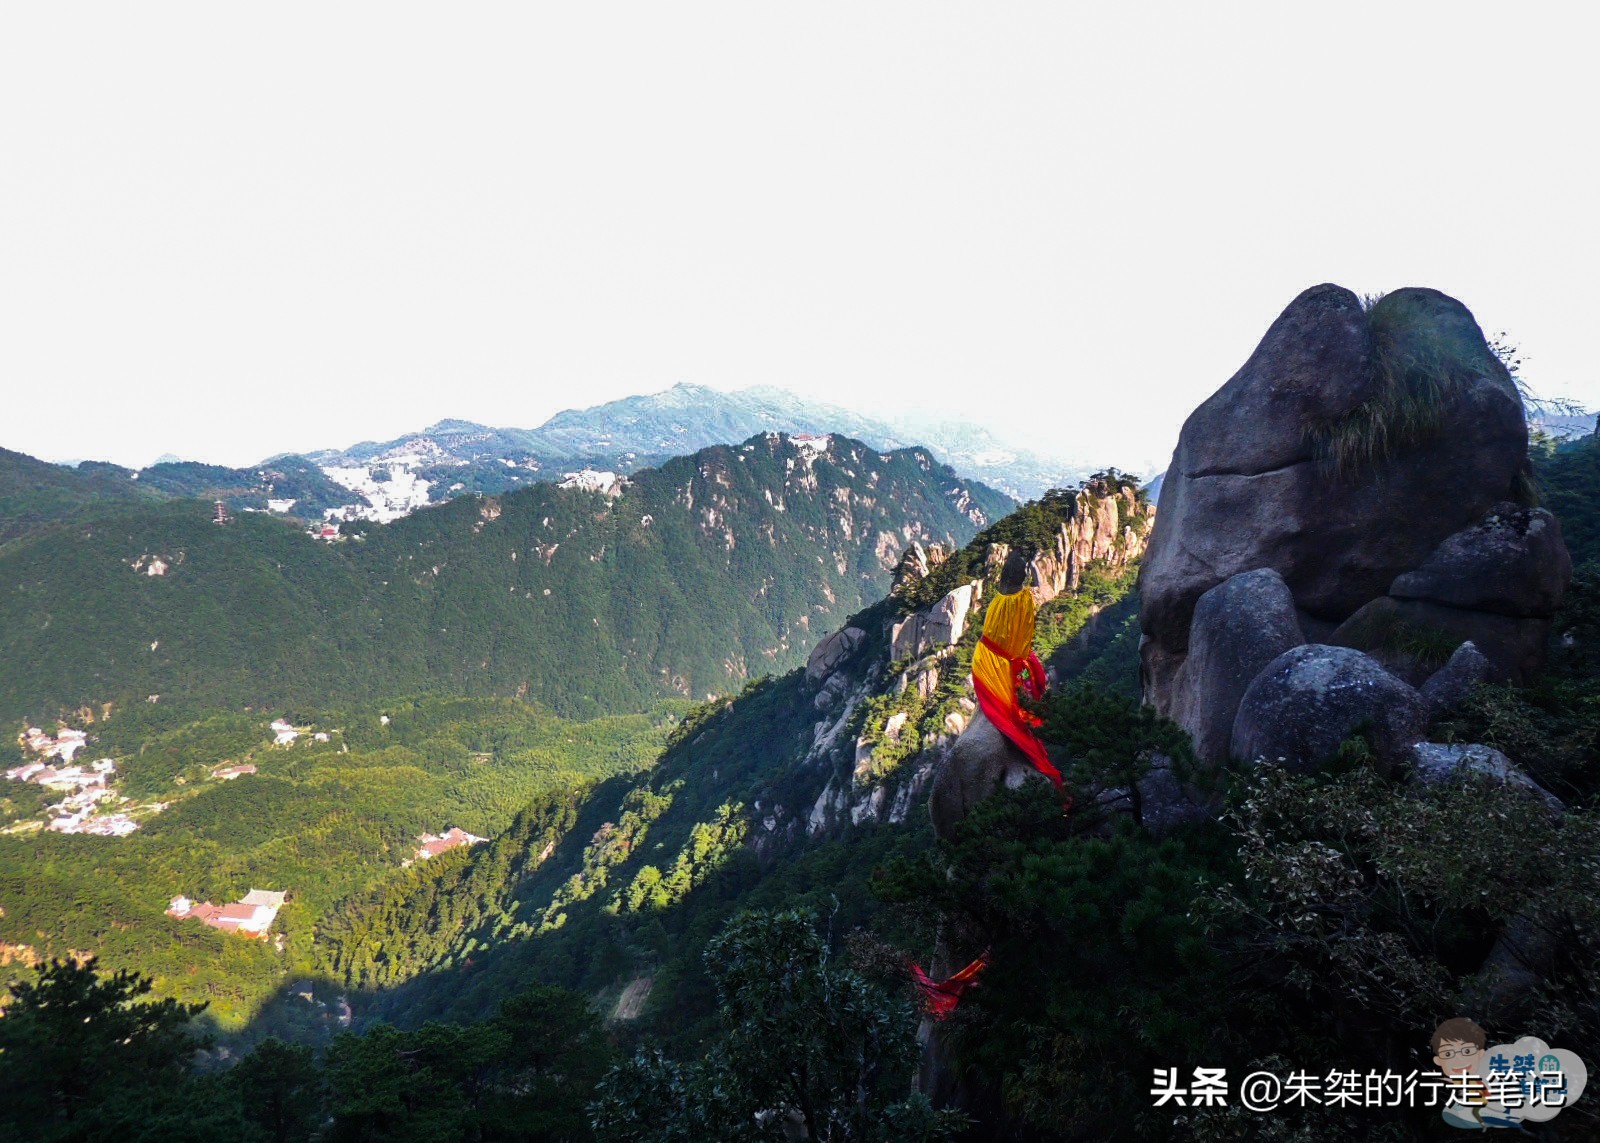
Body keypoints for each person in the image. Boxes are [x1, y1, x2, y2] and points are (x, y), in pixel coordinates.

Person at [970, 548, 1062, 790]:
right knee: (1033, 676)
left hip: (984, 660)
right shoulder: (1023, 600)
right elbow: (1023, 641)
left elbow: (990, 633)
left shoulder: (998, 601)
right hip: (1008, 659)